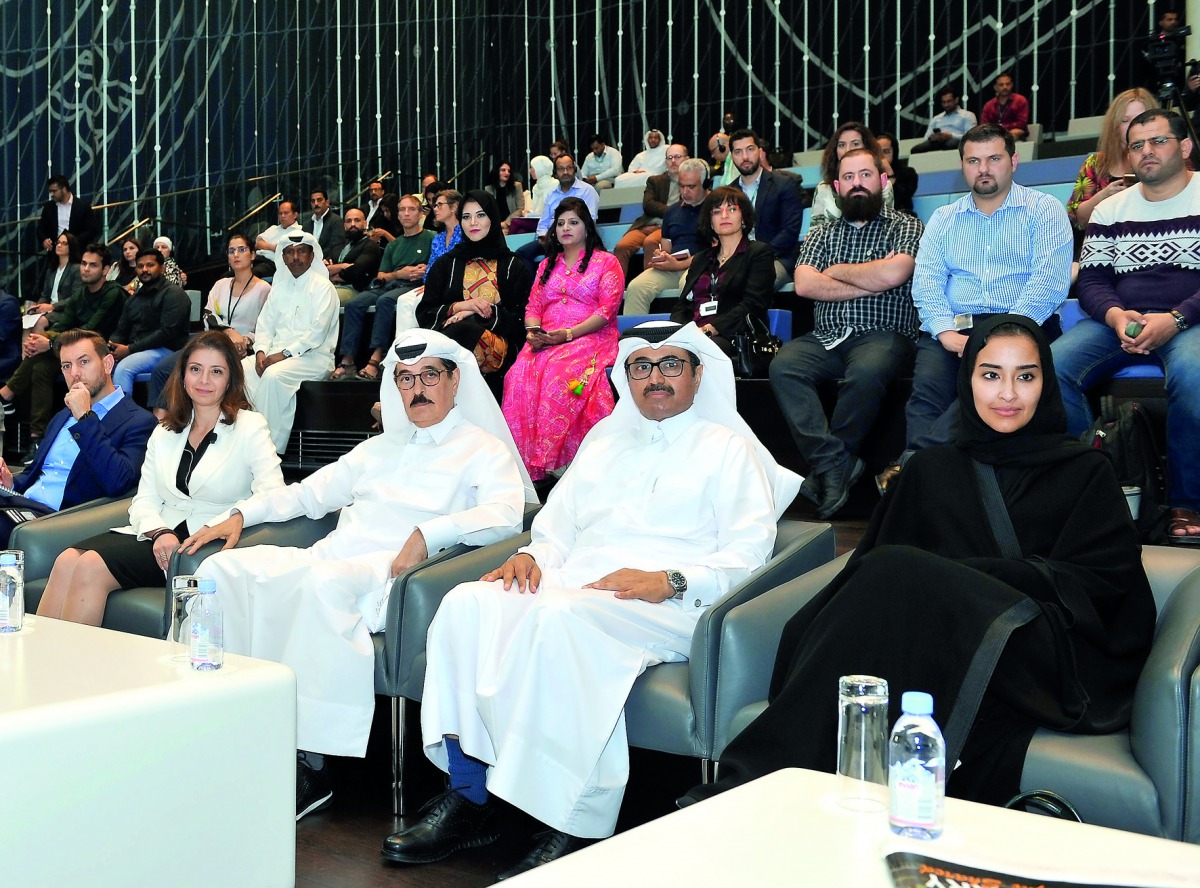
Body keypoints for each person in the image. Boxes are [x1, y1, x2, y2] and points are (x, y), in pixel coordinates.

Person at [680, 315, 1155, 811]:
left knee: (902, 572)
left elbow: (1107, 585)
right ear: (967, 379)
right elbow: (872, 574)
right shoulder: (932, 470)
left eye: (1026, 375)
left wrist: (971, 584)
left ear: (1046, 382)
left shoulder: (1085, 472)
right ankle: (786, 801)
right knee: (893, 582)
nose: (1008, 393)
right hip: (937, 642)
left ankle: (744, 787)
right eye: (990, 374)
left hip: (1041, 654)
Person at [383, 321, 800, 877]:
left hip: (667, 604)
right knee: (466, 603)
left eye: (671, 364)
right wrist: (534, 556)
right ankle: (471, 797)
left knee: (559, 617)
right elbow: (556, 529)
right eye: (641, 366)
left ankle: (573, 820)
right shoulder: (604, 440)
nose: (655, 377)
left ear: (698, 374)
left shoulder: (728, 449)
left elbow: (750, 554)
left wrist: (672, 579)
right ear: (626, 376)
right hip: (579, 586)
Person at [177, 328, 534, 820]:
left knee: (321, 587)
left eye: (429, 375)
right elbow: (307, 494)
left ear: (455, 381)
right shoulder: (380, 448)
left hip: (394, 574)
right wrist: (242, 515)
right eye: (405, 379)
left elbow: (506, 516)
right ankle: (226, 725)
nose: (418, 389)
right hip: (336, 555)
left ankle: (314, 764)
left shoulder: (482, 449)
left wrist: (430, 533)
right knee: (223, 570)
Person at [35, 331, 284, 627]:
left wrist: (238, 516)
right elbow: (144, 499)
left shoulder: (250, 427)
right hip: (159, 534)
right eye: (195, 369)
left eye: (216, 371)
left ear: (230, 379)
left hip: (203, 540)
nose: (204, 380)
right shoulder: (165, 430)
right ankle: (42, 666)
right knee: (66, 560)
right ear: (183, 376)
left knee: (90, 565)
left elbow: (274, 492)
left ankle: (70, 670)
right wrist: (158, 531)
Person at [878, 124, 1072, 493]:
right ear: (963, 166)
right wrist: (945, 332)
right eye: (974, 161)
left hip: (1024, 325)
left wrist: (997, 337)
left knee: (975, 393)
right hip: (953, 329)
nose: (984, 169)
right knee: (925, 396)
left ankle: (912, 473)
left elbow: (1048, 284)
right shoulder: (944, 219)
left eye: (994, 158)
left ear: (1013, 161)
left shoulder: (1043, 210)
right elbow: (928, 282)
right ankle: (930, 490)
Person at [1053, 108, 1200, 543]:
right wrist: (1117, 316)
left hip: (1188, 321)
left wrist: (1176, 319)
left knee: (1194, 374)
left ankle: (1187, 501)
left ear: (1185, 146)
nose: (1146, 152)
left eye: (1158, 141)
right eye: (1137, 145)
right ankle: (1096, 490)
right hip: (1121, 320)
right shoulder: (1110, 209)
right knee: (1052, 366)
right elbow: (1094, 280)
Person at [771, 149, 923, 519]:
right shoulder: (823, 232)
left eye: (866, 175)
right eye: (849, 177)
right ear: (837, 187)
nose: (858, 184)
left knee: (868, 371)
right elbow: (805, 284)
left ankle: (827, 468)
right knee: (783, 366)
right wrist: (871, 280)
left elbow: (895, 274)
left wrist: (837, 271)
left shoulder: (906, 225)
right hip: (827, 336)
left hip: (885, 333)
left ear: (882, 181)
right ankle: (834, 463)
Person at [501, 197, 623, 480]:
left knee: (560, 374)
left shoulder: (607, 262)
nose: (566, 228)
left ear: (587, 227)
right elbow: (533, 307)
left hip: (590, 336)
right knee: (517, 375)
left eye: (574, 222)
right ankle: (529, 462)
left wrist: (568, 334)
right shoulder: (546, 266)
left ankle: (562, 457)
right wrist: (534, 333)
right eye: (561, 223)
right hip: (547, 338)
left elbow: (607, 311)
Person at [0, 329, 155, 546]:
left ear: (108, 364)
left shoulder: (139, 422)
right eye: (66, 366)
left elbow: (117, 483)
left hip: (62, 519)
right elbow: (35, 473)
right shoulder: (62, 415)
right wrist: (10, 483)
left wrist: (85, 417)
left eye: (84, 362)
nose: (74, 374)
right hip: (23, 505)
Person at [0, 245, 125, 445]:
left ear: (105, 270)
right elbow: (65, 324)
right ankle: (36, 438)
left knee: (45, 346)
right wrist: (41, 342)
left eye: (93, 265)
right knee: (40, 367)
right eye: (83, 264)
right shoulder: (81, 293)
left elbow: (90, 332)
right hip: (74, 351)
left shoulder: (113, 293)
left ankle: (6, 394)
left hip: (99, 351)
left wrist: (49, 343)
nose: (85, 269)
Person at [146, 233, 271, 417]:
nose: (236, 254)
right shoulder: (221, 284)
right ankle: (161, 428)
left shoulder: (264, 289)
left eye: (242, 250)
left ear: (252, 255)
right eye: (231, 251)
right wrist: (229, 331)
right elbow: (208, 315)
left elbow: (265, 326)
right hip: (212, 341)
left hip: (244, 349)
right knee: (161, 370)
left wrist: (245, 341)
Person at [242, 231, 339, 454]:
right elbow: (264, 326)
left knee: (274, 376)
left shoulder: (324, 288)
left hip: (314, 358)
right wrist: (260, 353)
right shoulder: (279, 289)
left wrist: (283, 355)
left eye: (301, 251)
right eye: (289, 252)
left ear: (311, 255)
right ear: (283, 257)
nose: (295, 257)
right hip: (276, 356)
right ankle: (246, 440)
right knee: (241, 369)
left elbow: (316, 334)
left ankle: (267, 450)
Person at [416, 191, 531, 378]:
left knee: (465, 330)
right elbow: (425, 313)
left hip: (498, 349)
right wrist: (462, 306)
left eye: (481, 215)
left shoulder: (512, 265)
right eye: (466, 217)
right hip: (449, 345)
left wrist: (477, 313)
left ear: (492, 218)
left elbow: (522, 320)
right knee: (410, 340)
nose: (473, 223)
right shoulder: (447, 264)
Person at [337, 194, 434, 381]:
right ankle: (348, 360)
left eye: (411, 209)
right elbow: (381, 276)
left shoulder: (431, 237)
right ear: (397, 215)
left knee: (386, 300)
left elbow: (439, 263)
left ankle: (376, 357)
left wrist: (426, 270)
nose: (406, 214)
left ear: (420, 213)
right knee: (354, 303)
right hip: (393, 283)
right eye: (402, 210)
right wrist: (399, 273)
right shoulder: (394, 244)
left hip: (415, 285)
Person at [669, 186, 774, 355]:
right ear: (710, 221)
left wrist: (709, 329)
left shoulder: (759, 253)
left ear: (743, 218)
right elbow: (682, 306)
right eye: (717, 211)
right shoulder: (701, 259)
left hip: (735, 337)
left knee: (697, 352)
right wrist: (680, 332)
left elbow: (752, 305)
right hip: (694, 336)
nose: (724, 215)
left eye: (732, 209)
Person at [622, 158, 710, 315]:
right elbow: (667, 248)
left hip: (703, 266)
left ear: (705, 185)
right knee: (636, 287)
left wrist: (679, 265)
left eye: (691, 187)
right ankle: (636, 337)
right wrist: (661, 255)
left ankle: (691, 335)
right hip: (674, 266)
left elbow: (716, 250)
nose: (684, 192)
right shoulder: (672, 211)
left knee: (689, 284)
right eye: (682, 186)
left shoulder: (715, 208)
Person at [1066, 88, 1158, 230]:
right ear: (1115, 126)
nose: (1133, 126)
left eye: (1140, 119)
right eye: (1125, 120)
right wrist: (1103, 196)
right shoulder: (1095, 163)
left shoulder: (1167, 157)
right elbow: (1078, 219)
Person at [727, 128, 805, 288]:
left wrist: (758, 256)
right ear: (732, 157)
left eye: (750, 149)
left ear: (760, 151)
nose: (745, 157)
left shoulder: (784, 184)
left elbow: (790, 231)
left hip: (776, 258)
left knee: (755, 283)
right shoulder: (729, 193)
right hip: (738, 260)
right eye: (738, 152)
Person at [107, 248, 191, 396]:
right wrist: (112, 347)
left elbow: (167, 333)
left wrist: (130, 349)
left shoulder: (174, 294)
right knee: (101, 365)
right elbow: (121, 330)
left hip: (168, 350)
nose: (144, 270)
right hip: (136, 350)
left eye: (150, 265)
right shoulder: (134, 299)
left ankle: (122, 416)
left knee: (125, 368)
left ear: (162, 268)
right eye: (140, 266)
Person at [515, 155, 601, 277]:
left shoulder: (587, 191)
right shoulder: (551, 194)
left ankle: (551, 287)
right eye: (561, 169)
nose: (565, 172)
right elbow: (543, 222)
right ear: (555, 172)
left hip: (577, 239)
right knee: (521, 253)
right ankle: (533, 291)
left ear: (575, 169)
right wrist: (543, 236)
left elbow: (590, 222)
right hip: (551, 238)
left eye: (569, 168)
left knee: (553, 253)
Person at [611, 144, 688, 278]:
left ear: (686, 159)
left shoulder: (690, 182)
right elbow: (649, 205)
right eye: (670, 158)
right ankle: (615, 291)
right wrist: (673, 211)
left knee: (651, 242)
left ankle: (648, 285)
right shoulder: (655, 181)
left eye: (677, 157)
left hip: (667, 227)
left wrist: (670, 214)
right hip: (646, 225)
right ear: (666, 162)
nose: (673, 161)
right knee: (621, 246)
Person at [809, 122, 894, 227]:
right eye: (841, 145)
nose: (847, 149)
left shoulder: (883, 185)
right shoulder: (823, 188)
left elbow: (887, 224)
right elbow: (814, 230)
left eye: (855, 144)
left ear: (867, 147)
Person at [325, 207, 383, 303]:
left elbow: (356, 272)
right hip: (331, 286)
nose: (353, 224)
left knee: (324, 299)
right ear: (344, 225)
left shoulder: (370, 246)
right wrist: (343, 266)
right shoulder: (339, 247)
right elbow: (322, 269)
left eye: (357, 220)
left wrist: (332, 272)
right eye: (349, 221)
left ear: (365, 223)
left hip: (355, 290)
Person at [35, 175, 99, 254]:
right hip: (55, 253)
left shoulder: (83, 206)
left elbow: (91, 230)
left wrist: (73, 241)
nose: (51, 194)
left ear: (64, 189)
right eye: (50, 191)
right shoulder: (49, 207)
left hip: (77, 252)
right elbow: (40, 229)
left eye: (54, 191)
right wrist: (44, 239)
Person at [909, 87, 978, 153]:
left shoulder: (968, 115)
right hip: (936, 142)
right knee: (916, 149)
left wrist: (950, 135)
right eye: (944, 102)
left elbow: (971, 137)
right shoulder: (936, 118)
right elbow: (926, 137)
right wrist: (932, 137)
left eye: (949, 101)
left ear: (956, 100)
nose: (946, 105)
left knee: (950, 144)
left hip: (957, 141)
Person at [252, 199, 303, 278]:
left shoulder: (298, 231)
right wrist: (272, 247)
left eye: (286, 213)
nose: (282, 216)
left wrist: (266, 245)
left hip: (273, 264)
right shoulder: (273, 228)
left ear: (295, 215)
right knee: (229, 273)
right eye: (280, 213)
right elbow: (258, 244)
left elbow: (283, 249)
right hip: (256, 259)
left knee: (250, 274)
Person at [35, 232, 84, 313]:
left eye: (64, 243)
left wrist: (52, 306)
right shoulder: (51, 269)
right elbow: (45, 295)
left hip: (65, 311)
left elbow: (74, 297)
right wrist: (38, 306)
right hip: (48, 310)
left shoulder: (76, 269)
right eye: (58, 242)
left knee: (39, 322)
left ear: (71, 247)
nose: (59, 245)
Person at [875, 132, 919, 216]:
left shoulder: (908, 173)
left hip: (901, 214)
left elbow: (903, 197)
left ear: (894, 152)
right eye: (877, 152)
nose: (881, 157)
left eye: (886, 152)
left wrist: (890, 174)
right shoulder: (869, 175)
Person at [424, 190, 464, 278]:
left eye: (440, 205)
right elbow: (431, 268)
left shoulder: (466, 235)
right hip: (436, 286)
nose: (435, 209)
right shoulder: (437, 238)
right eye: (435, 205)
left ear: (454, 207)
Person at [980, 72, 1031, 141]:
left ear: (1012, 85)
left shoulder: (1020, 100)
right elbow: (984, 125)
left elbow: (1022, 123)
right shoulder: (989, 105)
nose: (1005, 87)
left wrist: (1002, 127)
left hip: (1015, 132)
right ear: (995, 87)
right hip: (995, 134)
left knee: (1015, 132)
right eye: (1001, 85)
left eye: (1008, 84)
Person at [303, 188, 346, 258]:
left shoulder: (336, 221)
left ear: (327, 202)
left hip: (328, 261)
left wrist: (317, 257)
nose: (316, 203)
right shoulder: (306, 225)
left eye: (319, 200)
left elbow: (337, 245)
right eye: (313, 201)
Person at [485, 161, 526, 231]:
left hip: (512, 223)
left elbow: (520, 208)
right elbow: (488, 210)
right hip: (495, 225)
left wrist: (506, 223)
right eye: (503, 170)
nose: (507, 173)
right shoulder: (488, 188)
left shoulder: (517, 186)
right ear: (497, 172)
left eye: (509, 171)